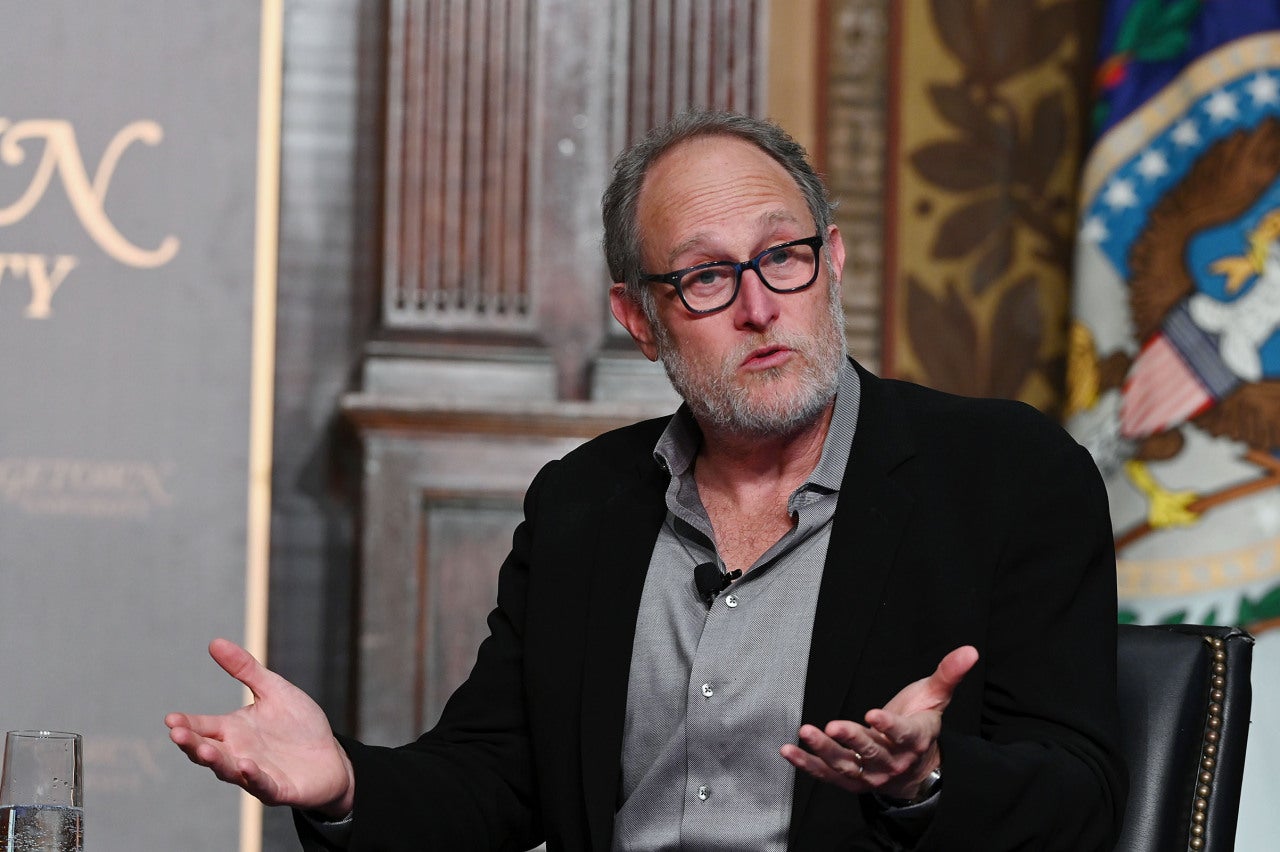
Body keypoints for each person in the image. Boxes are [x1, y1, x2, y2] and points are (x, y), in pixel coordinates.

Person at [167, 111, 1127, 851]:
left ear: (832, 263)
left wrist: (926, 782)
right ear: (639, 319)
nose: (758, 307)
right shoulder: (586, 503)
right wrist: (344, 784)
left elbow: (1083, 796)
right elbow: (499, 779)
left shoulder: (1007, 476)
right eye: (706, 278)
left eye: (783, 257)